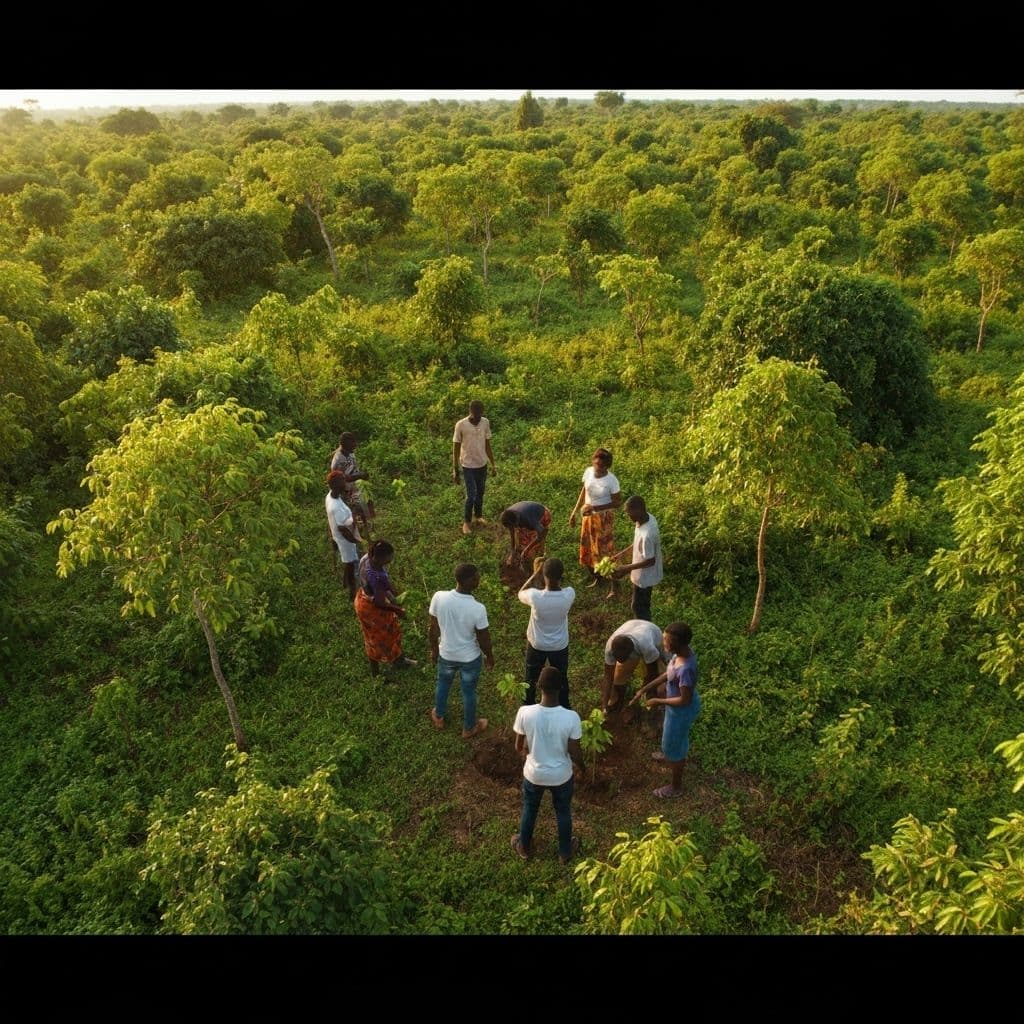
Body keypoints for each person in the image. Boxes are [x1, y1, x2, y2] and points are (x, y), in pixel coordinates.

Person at [511, 667, 583, 864]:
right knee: (563, 811)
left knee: (530, 808)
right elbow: (575, 752)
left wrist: (531, 756)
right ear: (561, 688)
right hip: (561, 776)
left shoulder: (525, 712)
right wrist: (581, 768)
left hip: (534, 774)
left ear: (537, 686)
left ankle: (524, 847)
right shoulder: (571, 717)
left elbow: (518, 746)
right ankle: (565, 852)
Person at [629, 622, 701, 798]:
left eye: (668, 641)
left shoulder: (686, 669)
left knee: (675, 745)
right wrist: (646, 689)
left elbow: (685, 699)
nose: (664, 644)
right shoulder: (679, 655)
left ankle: (675, 786)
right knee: (671, 739)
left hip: (681, 710)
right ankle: (669, 752)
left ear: (679, 643)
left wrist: (657, 700)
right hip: (673, 707)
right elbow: (668, 674)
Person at [428, 563, 495, 738]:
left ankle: (439, 715)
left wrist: (434, 650)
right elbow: (484, 639)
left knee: (443, 683)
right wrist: (489, 657)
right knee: (469, 691)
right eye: (476, 577)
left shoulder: (439, 597)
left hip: (446, 654)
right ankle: (469, 727)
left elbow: (432, 629)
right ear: (468, 581)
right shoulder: (478, 609)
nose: (479, 579)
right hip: (469, 659)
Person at [517, 556, 575, 708]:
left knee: (530, 678)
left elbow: (520, 592)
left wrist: (535, 574)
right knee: (561, 677)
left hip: (537, 645)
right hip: (559, 646)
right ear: (561, 576)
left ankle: (527, 705)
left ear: (543, 575)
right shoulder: (569, 594)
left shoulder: (535, 597)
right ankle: (564, 705)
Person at [354, 540, 417, 678]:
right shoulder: (375, 576)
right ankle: (376, 674)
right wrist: (397, 610)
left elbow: (384, 584)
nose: (390, 560)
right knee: (378, 640)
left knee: (386, 633)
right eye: (388, 558)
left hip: (363, 598)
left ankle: (398, 660)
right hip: (372, 610)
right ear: (379, 558)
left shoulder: (367, 558)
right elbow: (380, 603)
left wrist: (392, 591)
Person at [568, 447, 621, 596]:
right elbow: (584, 490)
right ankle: (598, 577)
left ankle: (615, 586)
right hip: (587, 516)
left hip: (603, 518)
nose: (598, 468)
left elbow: (617, 502)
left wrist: (596, 507)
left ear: (607, 466)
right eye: (596, 464)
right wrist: (574, 512)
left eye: (601, 466)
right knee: (588, 547)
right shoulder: (588, 472)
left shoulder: (611, 480)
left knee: (605, 551)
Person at [612, 496, 663, 621]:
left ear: (639, 510)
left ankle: (645, 629)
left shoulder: (648, 534)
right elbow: (637, 543)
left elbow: (650, 561)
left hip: (645, 576)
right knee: (640, 605)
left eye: (630, 514)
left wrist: (626, 568)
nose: (629, 517)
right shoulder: (645, 519)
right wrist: (621, 554)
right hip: (642, 573)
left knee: (639, 607)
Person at [602, 618, 666, 714]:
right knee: (617, 680)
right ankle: (620, 701)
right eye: (618, 660)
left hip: (652, 637)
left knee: (661, 685)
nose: (620, 662)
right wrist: (604, 705)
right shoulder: (610, 648)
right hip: (633, 628)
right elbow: (608, 676)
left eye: (624, 659)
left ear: (631, 653)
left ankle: (656, 705)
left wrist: (642, 691)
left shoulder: (647, 646)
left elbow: (652, 673)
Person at [452, 400, 497, 535]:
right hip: (468, 465)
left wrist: (493, 464)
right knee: (471, 495)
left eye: (479, 415)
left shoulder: (485, 423)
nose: (477, 418)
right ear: (470, 412)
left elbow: (487, 444)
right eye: (474, 415)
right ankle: (466, 522)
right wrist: (455, 469)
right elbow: (456, 447)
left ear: (482, 413)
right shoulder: (461, 425)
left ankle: (478, 517)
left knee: (480, 493)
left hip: (482, 464)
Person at [325, 470, 362, 599]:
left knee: (348, 562)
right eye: (343, 481)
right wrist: (355, 540)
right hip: (345, 540)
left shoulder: (330, 496)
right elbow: (343, 529)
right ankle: (352, 592)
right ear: (337, 486)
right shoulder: (336, 507)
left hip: (341, 537)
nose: (346, 483)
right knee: (351, 564)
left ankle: (345, 582)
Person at [330, 431, 374, 537]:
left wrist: (360, 475)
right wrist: (360, 476)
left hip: (354, 486)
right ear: (345, 444)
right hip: (344, 490)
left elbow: (354, 469)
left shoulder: (350, 453)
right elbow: (343, 478)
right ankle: (355, 533)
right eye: (352, 442)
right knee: (351, 512)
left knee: (366, 503)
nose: (355, 444)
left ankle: (365, 526)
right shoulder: (339, 460)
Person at [500, 501, 551, 568]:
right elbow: (512, 534)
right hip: (528, 517)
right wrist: (512, 554)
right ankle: (524, 554)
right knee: (522, 541)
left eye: (513, 526)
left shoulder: (529, 519)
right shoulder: (508, 516)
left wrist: (527, 549)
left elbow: (543, 533)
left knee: (532, 551)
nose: (512, 529)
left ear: (516, 522)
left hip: (543, 515)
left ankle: (540, 556)